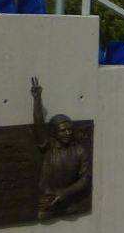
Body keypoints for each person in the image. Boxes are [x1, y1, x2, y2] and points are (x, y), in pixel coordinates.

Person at [30, 77, 90, 219]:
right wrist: (37, 99)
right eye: (63, 130)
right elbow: (38, 124)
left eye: (70, 129)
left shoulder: (79, 151)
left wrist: (64, 193)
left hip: (68, 201)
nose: (67, 133)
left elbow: (85, 178)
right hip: (46, 201)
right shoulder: (49, 145)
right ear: (54, 133)